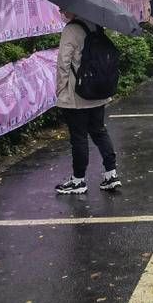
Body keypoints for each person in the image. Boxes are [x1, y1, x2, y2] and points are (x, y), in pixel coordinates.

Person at [54, 10, 120, 195]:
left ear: (72, 9)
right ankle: (111, 174)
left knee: (79, 137)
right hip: (98, 92)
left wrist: (61, 89)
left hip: (77, 94)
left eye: (62, 9)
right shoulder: (96, 26)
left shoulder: (71, 29)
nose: (61, 12)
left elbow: (63, 62)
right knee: (100, 131)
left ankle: (78, 180)